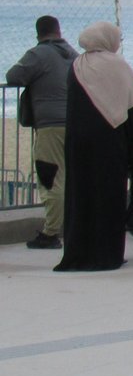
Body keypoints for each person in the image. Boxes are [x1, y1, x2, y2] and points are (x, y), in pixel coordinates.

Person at [54, 22, 133, 272]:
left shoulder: (77, 66)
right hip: (109, 141)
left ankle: (78, 253)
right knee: (108, 197)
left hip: (78, 143)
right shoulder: (117, 65)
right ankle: (106, 254)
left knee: (80, 196)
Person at [8, 15, 78, 249]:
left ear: (38, 33)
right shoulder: (73, 55)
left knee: (50, 177)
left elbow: (14, 76)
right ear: (59, 31)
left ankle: (51, 233)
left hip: (50, 125)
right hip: (74, 122)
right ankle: (71, 227)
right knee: (69, 177)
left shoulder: (39, 54)